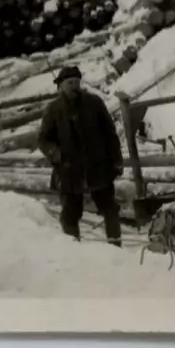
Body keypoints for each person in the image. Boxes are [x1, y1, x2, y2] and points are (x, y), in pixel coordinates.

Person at [38, 66, 124, 247]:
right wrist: (55, 153)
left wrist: (116, 160)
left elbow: (110, 133)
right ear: (60, 86)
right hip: (69, 169)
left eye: (77, 82)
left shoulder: (94, 103)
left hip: (98, 166)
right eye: (70, 83)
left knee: (109, 209)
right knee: (70, 213)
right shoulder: (53, 110)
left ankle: (116, 247)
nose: (74, 86)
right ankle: (73, 250)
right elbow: (44, 139)